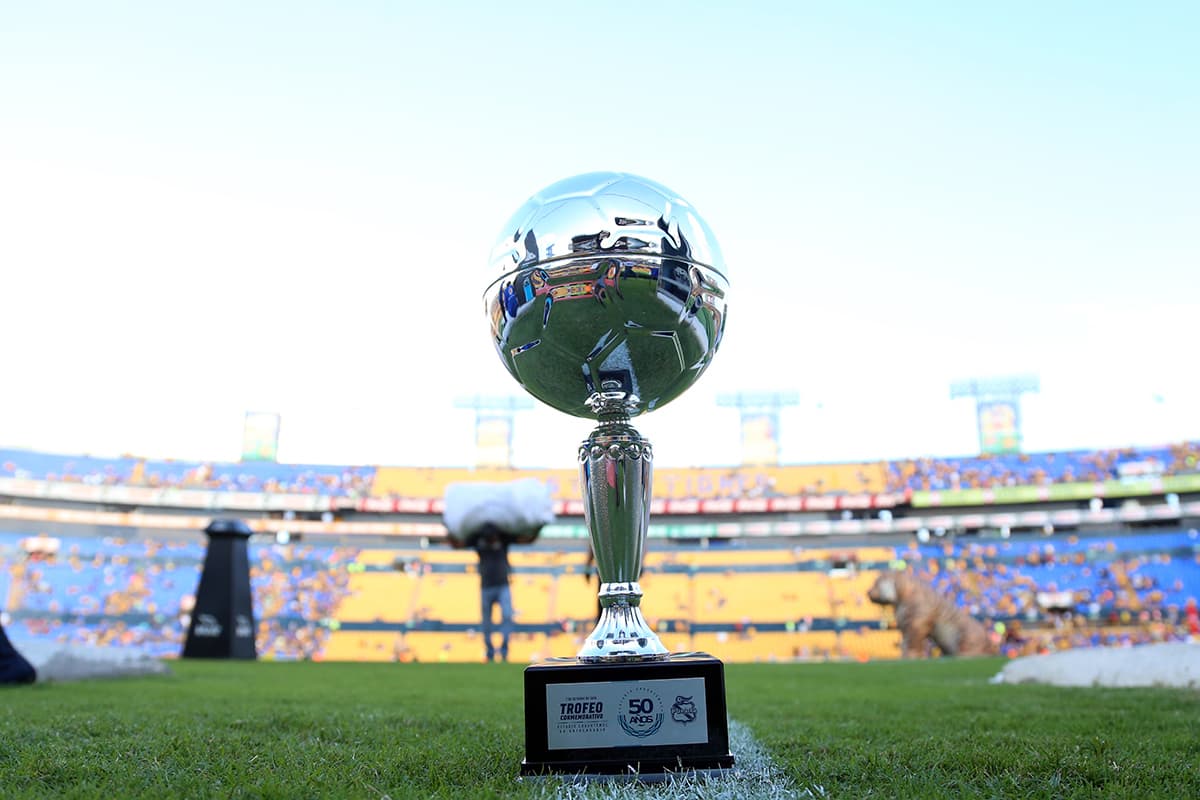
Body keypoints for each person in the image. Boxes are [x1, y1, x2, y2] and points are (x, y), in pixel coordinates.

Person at [453, 523, 535, 662]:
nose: (492, 539)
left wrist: (538, 528)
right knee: (486, 623)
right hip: (486, 587)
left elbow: (526, 540)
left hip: (503, 585)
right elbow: (458, 544)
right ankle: (490, 652)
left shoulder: (503, 538)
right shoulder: (478, 539)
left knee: (508, 616)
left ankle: (503, 651)